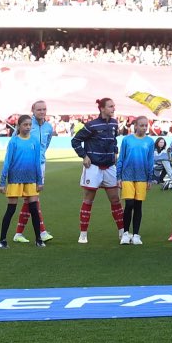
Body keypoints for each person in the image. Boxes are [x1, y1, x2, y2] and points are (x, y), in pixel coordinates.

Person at [72, 96, 123, 244]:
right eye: (111, 106)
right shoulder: (91, 126)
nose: (114, 109)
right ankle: (83, 234)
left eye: (114, 106)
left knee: (115, 199)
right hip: (93, 167)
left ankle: (122, 232)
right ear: (102, 108)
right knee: (88, 200)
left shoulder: (114, 123)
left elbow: (113, 140)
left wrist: (115, 152)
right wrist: (84, 156)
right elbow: (75, 140)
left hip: (109, 167)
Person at [0, 114, 47, 248]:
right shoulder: (14, 141)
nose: (28, 127)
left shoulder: (35, 141)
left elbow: (37, 162)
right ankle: (2, 240)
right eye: (25, 125)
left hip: (30, 179)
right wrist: (2, 182)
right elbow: (7, 162)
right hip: (15, 178)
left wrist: (39, 181)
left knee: (34, 209)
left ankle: (38, 239)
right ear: (18, 126)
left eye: (30, 125)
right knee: (11, 209)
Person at [116, 115, 156, 245]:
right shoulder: (127, 140)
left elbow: (150, 161)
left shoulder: (149, 142)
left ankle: (137, 235)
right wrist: (119, 176)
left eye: (146, 125)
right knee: (129, 205)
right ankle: (126, 233)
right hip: (127, 175)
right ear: (135, 126)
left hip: (142, 177)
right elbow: (121, 158)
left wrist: (150, 178)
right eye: (141, 125)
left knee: (138, 205)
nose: (144, 128)